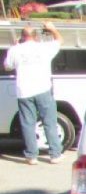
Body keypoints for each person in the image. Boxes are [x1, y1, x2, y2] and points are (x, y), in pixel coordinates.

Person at [3, 21, 63, 165]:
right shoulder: (44, 47)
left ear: (22, 37)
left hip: (24, 91)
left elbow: (7, 67)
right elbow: (59, 41)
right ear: (36, 37)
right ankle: (55, 154)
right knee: (49, 121)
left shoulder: (15, 50)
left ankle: (31, 156)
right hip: (43, 89)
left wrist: (16, 45)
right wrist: (52, 29)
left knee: (27, 123)